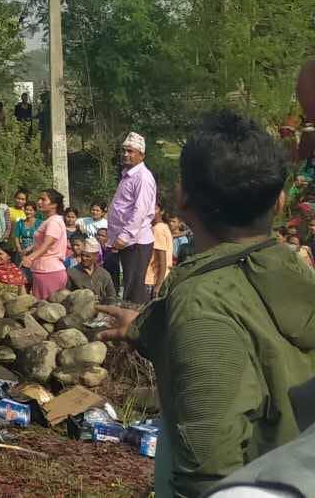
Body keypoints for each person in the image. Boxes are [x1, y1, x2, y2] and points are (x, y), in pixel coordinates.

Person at [100, 111, 315, 496]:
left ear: (182, 199)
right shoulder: (296, 276)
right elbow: (253, 334)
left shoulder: (200, 304)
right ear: (280, 203)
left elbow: (209, 468)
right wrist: (146, 326)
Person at [108, 130, 161, 304]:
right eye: (124, 150)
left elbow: (140, 211)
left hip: (136, 241)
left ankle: (137, 318)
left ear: (141, 155)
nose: (125, 154)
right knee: (129, 285)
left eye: (130, 151)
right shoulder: (128, 175)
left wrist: (124, 236)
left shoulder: (143, 177)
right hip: (127, 241)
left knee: (134, 287)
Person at [26, 188, 71, 298]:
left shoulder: (54, 222)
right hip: (44, 270)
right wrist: (30, 249)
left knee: (47, 306)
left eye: (43, 199)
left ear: (54, 205)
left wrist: (30, 258)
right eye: (39, 199)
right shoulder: (50, 220)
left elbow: (47, 244)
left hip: (49, 271)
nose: (39, 202)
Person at [147, 205, 176, 294]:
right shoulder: (164, 227)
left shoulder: (158, 229)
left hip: (153, 279)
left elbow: (162, 259)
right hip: (159, 278)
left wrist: (158, 286)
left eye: (155, 209)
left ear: (162, 211)